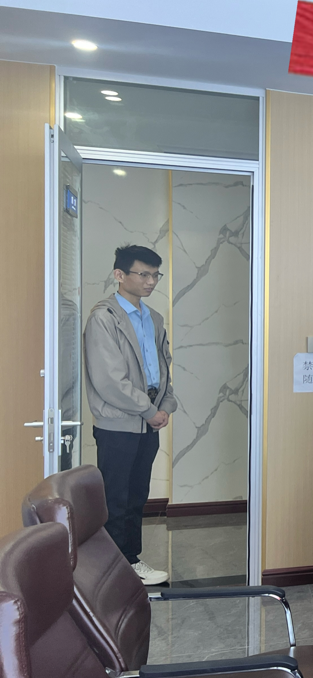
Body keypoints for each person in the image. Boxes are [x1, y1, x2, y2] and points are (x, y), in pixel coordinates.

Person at [84, 245, 177, 585]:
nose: (151, 281)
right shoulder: (104, 318)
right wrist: (150, 410)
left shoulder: (153, 318)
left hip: (148, 421)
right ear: (120, 275)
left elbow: (161, 370)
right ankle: (115, 571)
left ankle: (130, 562)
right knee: (116, 499)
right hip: (118, 425)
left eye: (155, 275)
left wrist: (166, 404)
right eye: (144, 274)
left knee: (137, 496)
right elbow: (109, 380)